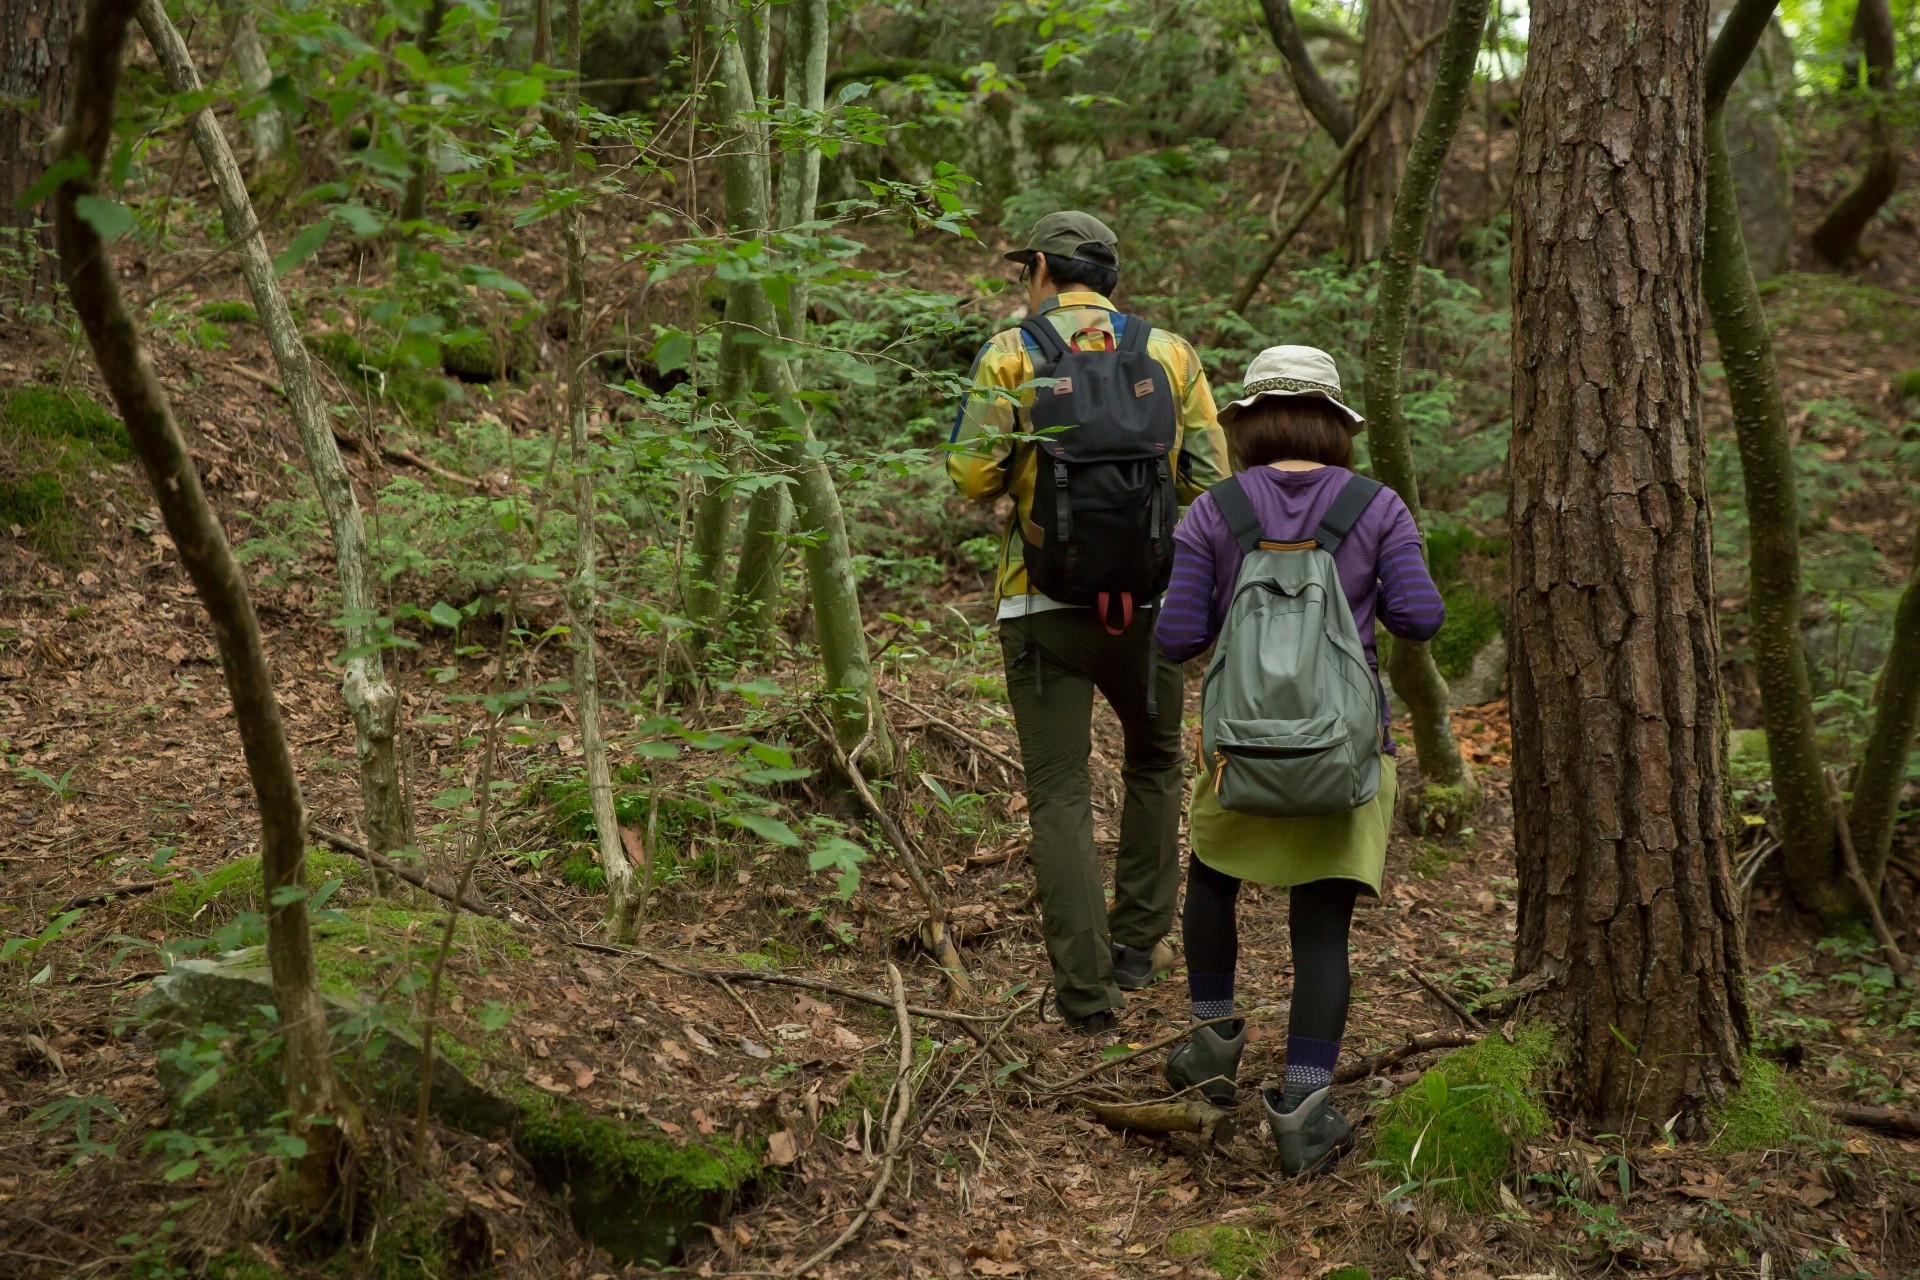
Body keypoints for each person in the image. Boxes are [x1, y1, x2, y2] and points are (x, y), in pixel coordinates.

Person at [1153, 345, 1445, 1175]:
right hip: (1345, 758)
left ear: (1247, 423)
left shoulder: (1215, 510)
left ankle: (1210, 1054)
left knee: (1211, 875)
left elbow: (1176, 639)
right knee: (1322, 927)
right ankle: (1305, 1112)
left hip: (1236, 756)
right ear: (1335, 424)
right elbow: (1422, 619)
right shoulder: (1376, 504)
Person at [947, 211, 1231, 1035]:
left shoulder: (1013, 352)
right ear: (1107, 276)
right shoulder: (1171, 354)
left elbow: (971, 476)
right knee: (1155, 766)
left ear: (1040, 266)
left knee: (1061, 791)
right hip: (1149, 603)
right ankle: (1139, 951)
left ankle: (1087, 995)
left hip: (1040, 605)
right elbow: (1209, 482)